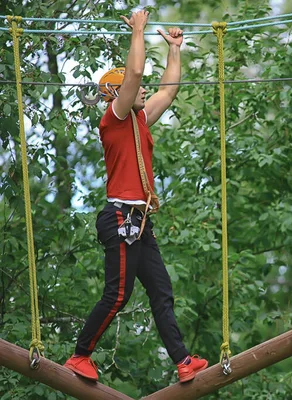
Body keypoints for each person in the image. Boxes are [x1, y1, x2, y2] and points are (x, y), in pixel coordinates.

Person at [64, 10, 208, 383]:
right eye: (134, 90)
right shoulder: (113, 118)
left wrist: (175, 50)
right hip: (119, 218)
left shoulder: (140, 120)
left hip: (139, 222)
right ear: (117, 95)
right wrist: (139, 31)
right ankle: (80, 356)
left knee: (162, 292)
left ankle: (182, 361)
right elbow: (136, 76)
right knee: (118, 295)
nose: (143, 91)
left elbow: (167, 91)